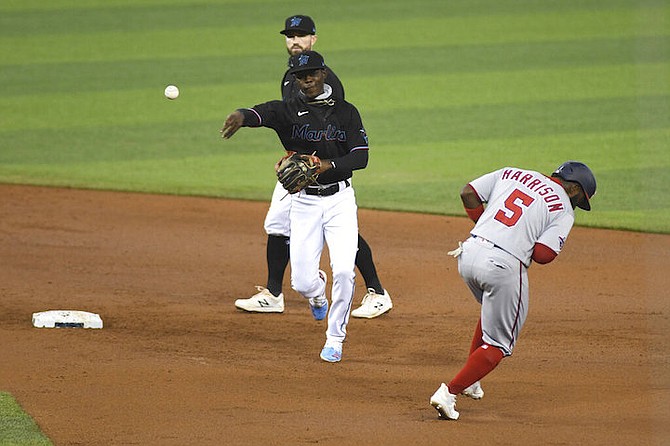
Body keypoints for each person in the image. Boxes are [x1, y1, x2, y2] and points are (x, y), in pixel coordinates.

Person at [232, 14, 392, 319]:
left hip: (320, 173)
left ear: (313, 39)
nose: (294, 40)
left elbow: (331, 135)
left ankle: (377, 291)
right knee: (278, 225)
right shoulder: (290, 75)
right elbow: (286, 118)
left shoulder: (327, 82)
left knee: (341, 233)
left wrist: (315, 164)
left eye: (301, 35)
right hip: (301, 170)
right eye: (290, 35)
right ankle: (275, 293)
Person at [221, 50, 369, 362]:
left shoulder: (347, 112)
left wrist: (325, 164)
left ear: (324, 74)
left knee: (344, 270)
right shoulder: (287, 111)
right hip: (304, 203)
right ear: (294, 79)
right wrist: (241, 115)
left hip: (341, 200)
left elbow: (361, 157)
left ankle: (335, 339)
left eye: (313, 73)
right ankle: (317, 294)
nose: (307, 79)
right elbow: (261, 113)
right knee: (302, 282)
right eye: (301, 76)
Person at [430, 161, 597, 420]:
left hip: (469, 253)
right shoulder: (564, 208)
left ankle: (472, 381)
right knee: (500, 344)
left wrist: (488, 224)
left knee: (492, 308)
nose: (576, 205)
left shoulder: (513, 172)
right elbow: (544, 254)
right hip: (501, 266)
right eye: (580, 199)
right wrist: (519, 239)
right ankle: (448, 393)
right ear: (574, 189)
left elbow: (468, 193)